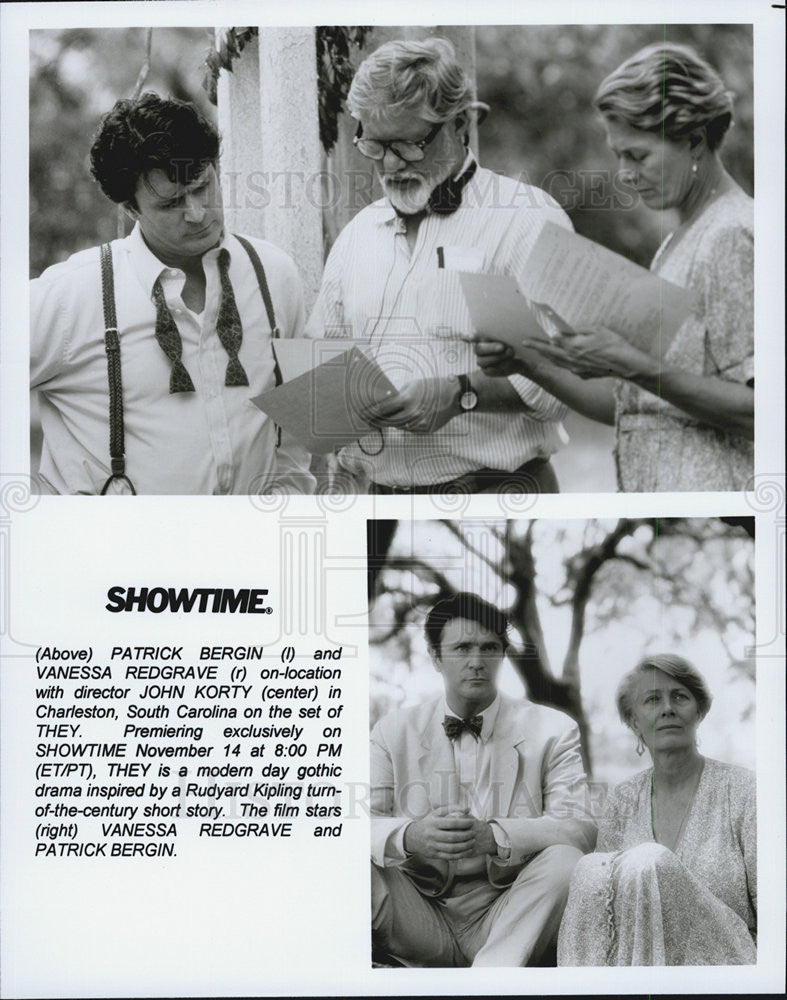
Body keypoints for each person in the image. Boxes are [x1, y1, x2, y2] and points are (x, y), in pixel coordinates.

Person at [474, 42, 753, 492]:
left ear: (695, 141)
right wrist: (526, 362)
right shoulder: (680, 241)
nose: (623, 173)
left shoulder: (732, 234)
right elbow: (635, 404)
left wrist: (632, 364)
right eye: (618, 154)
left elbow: (763, 412)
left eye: (637, 155)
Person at [307, 38, 571, 494]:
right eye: (373, 144)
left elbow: (562, 381)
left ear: (460, 124)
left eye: (408, 144)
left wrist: (461, 393)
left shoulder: (526, 220)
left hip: (499, 494)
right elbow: (324, 363)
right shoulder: (356, 237)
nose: (389, 164)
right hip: (379, 502)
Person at [30, 92, 314, 495]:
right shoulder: (72, 295)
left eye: (203, 186)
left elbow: (305, 419)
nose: (198, 213)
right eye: (171, 203)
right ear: (131, 208)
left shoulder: (276, 273)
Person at [370, 592, 597, 967]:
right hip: (418, 914)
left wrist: (495, 836)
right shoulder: (392, 730)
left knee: (566, 860)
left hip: (509, 912)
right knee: (346, 867)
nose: (477, 662)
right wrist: (411, 836)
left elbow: (580, 829)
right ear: (436, 657)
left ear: (503, 655)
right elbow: (352, 826)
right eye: (462, 648)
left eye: (489, 648)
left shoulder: (553, 729)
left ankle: (489, 981)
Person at [557, 654, 756, 966]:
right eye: (652, 699)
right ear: (634, 721)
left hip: (724, 969)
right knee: (590, 870)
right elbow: (601, 909)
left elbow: (773, 909)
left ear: (699, 711)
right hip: (639, 967)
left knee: (648, 860)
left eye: (680, 697)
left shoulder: (743, 789)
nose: (668, 708)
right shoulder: (622, 798)